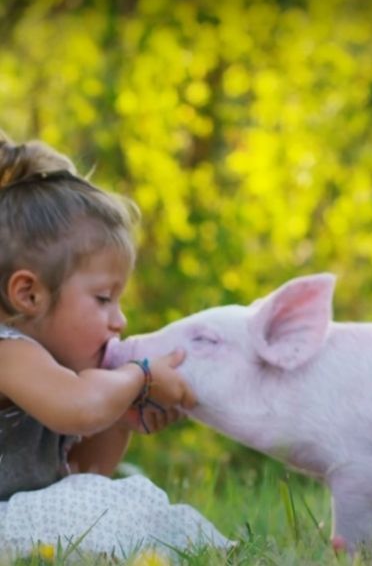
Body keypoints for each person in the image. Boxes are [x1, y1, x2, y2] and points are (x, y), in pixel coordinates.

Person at [0, 132, 232, 560]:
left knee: (112, 501)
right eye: (103, 299)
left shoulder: (54, 372)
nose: (120, 320)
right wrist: (138, 377)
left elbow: (85, 475)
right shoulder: (7, 352)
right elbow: (82, 406)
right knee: (108, 506)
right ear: (29, 295)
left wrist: (119, 420)